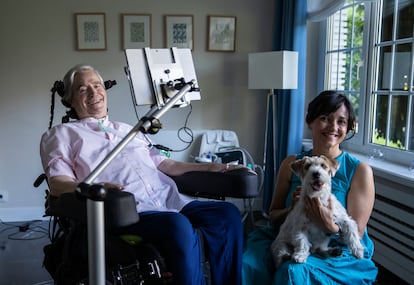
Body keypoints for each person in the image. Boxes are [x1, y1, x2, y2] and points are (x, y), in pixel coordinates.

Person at [40, 64, 250, 285]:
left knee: (227, 215)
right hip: (127, 211)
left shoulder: (128, 129)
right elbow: (58, 183)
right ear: (69, 99)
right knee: (177, 225)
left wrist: (218, 168)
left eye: (97, 85)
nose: (94, 93)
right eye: (83, 89)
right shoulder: (61, 134)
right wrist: (96, 188)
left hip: (169, 200)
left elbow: (166, 165)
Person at [242, 90, 378, 284]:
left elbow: (357, 230)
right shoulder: (291, 164)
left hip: (337, 243)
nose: (333, 127)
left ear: (347, 128)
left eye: (341, 121)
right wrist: (292, 209)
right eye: (325, 118)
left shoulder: (359, 170)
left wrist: (327, 224)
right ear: (310, 122)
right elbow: (272, 215)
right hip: (292, 233)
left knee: (293, 271)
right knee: (246, 264)